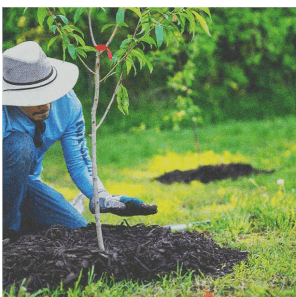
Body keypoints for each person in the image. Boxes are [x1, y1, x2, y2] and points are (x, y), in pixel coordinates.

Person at [2, 41, 157, 242]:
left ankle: (21, 225)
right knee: (19, 146)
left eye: (47, 93)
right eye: (31, 98)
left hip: (26, 184)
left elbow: (79, 161)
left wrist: (101, 196)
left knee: (76, 230)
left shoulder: (67, 104)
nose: (43, 104)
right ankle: (7, 231)